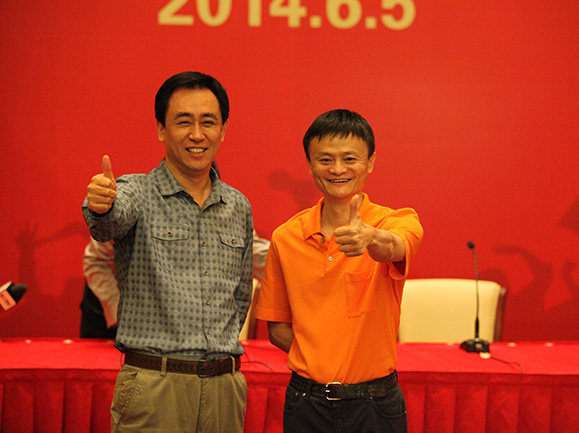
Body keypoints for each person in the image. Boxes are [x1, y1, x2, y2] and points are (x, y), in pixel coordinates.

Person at [82, 71, 253, 433]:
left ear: (223, 130)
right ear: (161, 129)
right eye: (183, 121)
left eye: (208, 122)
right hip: (155, 386)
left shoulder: (238, 206)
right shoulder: (136, 191)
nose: (197, 134)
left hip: (224, 389)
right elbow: (108, 223)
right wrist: (101, 205)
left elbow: (240, 295)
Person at [255, 109, 424, 433]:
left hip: (375, 404)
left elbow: (396, 246)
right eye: (325, 160)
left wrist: (371, 238)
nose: (337, 169)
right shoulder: (286, 237)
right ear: (309, 164)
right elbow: (277, 328)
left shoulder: (396, 221)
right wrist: (321, 362)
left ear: (370, 162)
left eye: (349, 159)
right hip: (306, 402)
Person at [79, 231, 270, 339]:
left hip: (170, 315)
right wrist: (119, 309)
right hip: (112, 305)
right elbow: (96, 261)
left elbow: (264, 256)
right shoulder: (135, 206)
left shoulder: (228, 212)